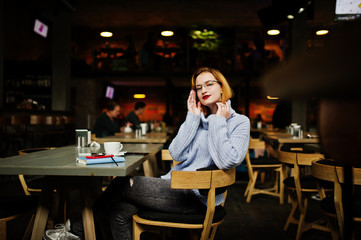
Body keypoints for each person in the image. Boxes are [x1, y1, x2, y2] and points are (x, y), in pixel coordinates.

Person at [72, 67, 250, 239]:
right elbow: (175, 153)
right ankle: (75, 231)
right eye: (198, 87)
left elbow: (227, 161)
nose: (203, 90)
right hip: (174, 187)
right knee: (118, 212)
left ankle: (74, 231)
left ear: (222, 86)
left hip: (197, 197)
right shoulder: (197, 119)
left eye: (209, 84)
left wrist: (218, 122)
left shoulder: (240, 122)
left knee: (122, 184)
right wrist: (192, 118)